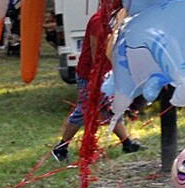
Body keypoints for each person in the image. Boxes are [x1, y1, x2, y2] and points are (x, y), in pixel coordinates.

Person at [51, 10, 141, 160]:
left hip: (104, 73)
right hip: (90, 74)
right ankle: (60, 148)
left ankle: (127, 143)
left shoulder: (116, 20)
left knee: (110, 108)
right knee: (83, 109)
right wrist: (98, 79)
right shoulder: (99, 22)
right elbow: (96, 56)